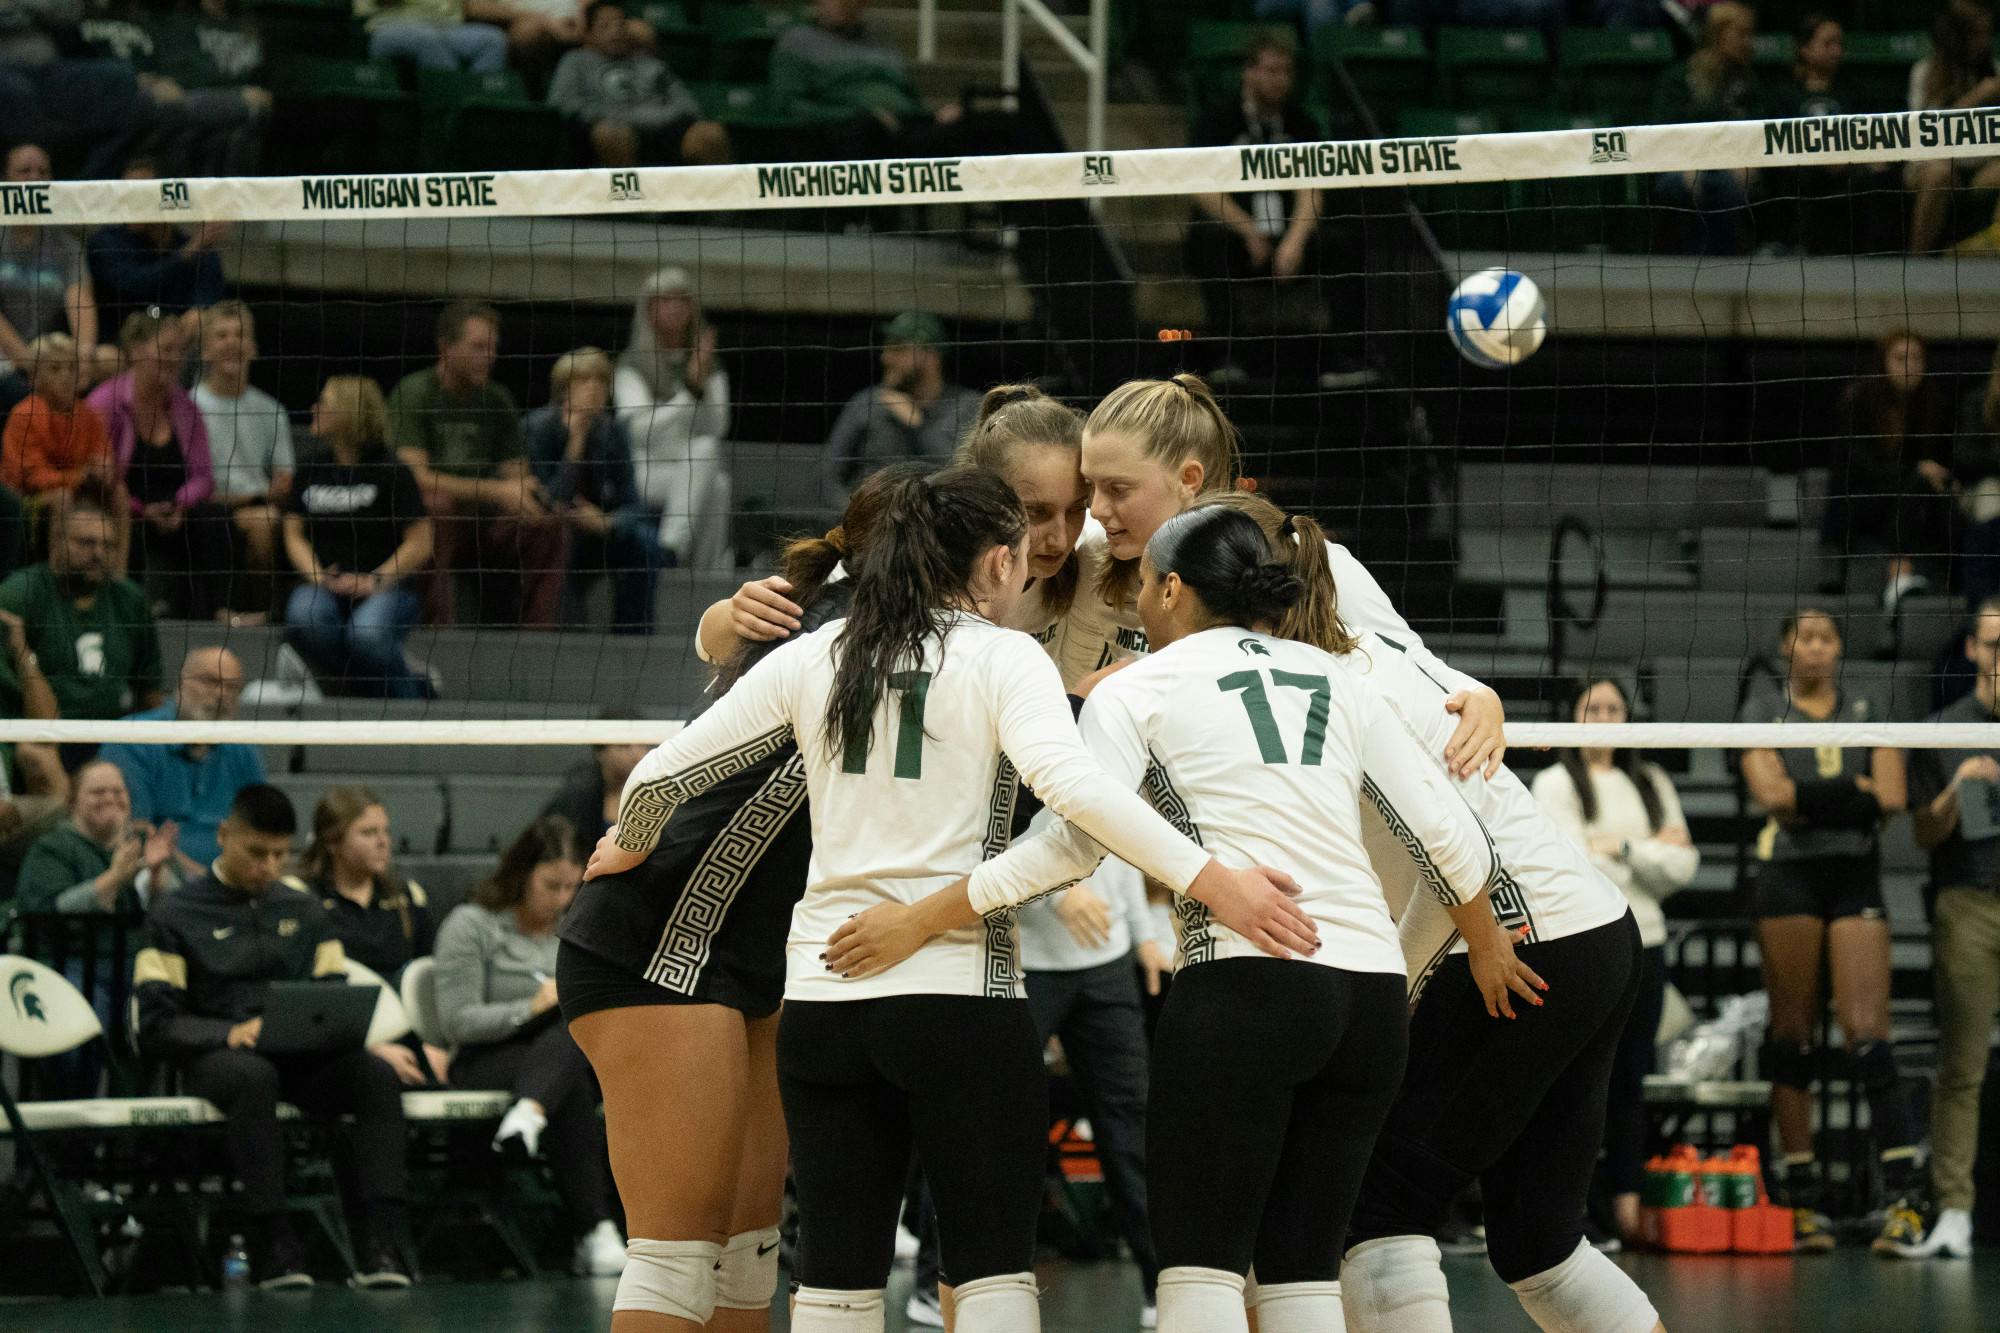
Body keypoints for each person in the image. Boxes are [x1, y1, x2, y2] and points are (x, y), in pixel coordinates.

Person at [584, 465, 1312, 1333]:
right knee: (994, 1275)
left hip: (826, 1001)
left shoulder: (822, 650)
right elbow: (1077, 797)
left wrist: (627, 839)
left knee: (834, 1283)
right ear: (1001, 563)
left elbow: (663, 772)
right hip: (961, 999)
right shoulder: (1007, 657)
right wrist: (1213, 879)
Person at [822, 501, 1522, 1333]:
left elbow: (1072, 849)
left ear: (1173, 590)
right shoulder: (1336, 676)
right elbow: (1453, 840)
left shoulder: (1140, 688)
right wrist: (1484, 942)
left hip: (1245, 986)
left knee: (1200, 1272)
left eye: (1145, 585)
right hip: (1367, 1001)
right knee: (1303, 1272)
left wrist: (927, 914)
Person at [558, 468, 918, 1333]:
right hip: (661, 934)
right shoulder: (840, 637)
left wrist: (716, 623)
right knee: (680, 1257)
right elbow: (661, 766)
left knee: (746, 1252)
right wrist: (635, 831)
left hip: (758, 947)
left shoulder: (873, 618)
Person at [133, 784, 412, 1289]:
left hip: (300, 1055)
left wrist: (330, 1028)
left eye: (280, 855)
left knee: (374, 1074)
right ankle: (274, 1242)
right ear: (223, 836)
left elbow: (331, 993)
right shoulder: (175, 914)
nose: (268, 865)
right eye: (256, 853)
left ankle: (381, 1240)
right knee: (253, 1076)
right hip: (216, 1057)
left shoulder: (305, 911)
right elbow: (155, 1023)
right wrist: (227, 1032)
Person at [1739, 608, 1922, 1252]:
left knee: (1868, 1035)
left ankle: (1903, 1199)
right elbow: (1772, 796)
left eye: (1827, 636)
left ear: (1840, 647)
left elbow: (1895, 797)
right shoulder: (1763, 713)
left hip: (1854, 874)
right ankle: (1802, 1202)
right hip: (1788, 877)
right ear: (1786, 644)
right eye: (1804, 636)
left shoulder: (1869, 710)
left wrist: (1810, 794)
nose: (1816, 647)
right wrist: (1854, 787)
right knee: (1792, 1037)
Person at [1531, 677, 1700, 1245]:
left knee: (1630, 1079)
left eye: (1613, 707)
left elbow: (1684, 868)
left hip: (1647, 944)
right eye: (1591, 707)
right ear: (1573, 716)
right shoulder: (1555, 783)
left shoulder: (1650, 781)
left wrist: (1621, 847)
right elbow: (1571, 862)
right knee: (1576, 1077)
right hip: (1584, 943)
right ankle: (1568, 1210)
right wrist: (1652, 851)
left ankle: (1627, 1210)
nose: (1603, 716)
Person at [435, 815, 625, 1278]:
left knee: (570, 1053)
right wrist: (529, 1007)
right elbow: (457, 1021)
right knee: (566, 1045)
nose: (561, 899)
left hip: (557, 1063)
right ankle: (596, 1230)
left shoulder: (575, 930)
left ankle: (529, 1116)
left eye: (569, 887)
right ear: (522, 875)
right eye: (550, 886)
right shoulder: (472, 924)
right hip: (485, 1057)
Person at [1894, 596, 2000, 1259]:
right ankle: (1954, 1209)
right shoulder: (1942, 729)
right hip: (1969, 901)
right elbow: (1924, 833)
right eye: (1994, 643)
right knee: (1962, 1063)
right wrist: (1958, 785)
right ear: (1972, 649)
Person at [1185, 31, 1373, 389]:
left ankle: (1347, 357)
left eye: (1285, 72)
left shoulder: (1302, 124)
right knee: (1207, 240)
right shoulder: (1218, 119)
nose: (1279, 80)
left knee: (1346, 243)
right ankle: (1228, 356)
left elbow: (1312, 189)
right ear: (1249, 72)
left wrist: (1295, 241)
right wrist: (1248, 230)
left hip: (1287, 241)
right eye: (1270, 70)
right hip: (1239, 238)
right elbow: (1202, 190)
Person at [389, 300, 563, 628]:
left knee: (546, 523)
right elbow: (414, 477)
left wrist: (527, 497)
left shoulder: (497, 400)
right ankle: (438, 633)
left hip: (484, 524)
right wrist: (497, 491)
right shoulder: (415, 393)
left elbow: (517, 479)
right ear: (445, 347)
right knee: (438, 507)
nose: (488, 356)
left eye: (492, 348)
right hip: (436, 518)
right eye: (478, 347)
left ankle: (537, 637)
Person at [283, 375, 435, 699]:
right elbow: (293, 532)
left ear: (348, 413)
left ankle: (414, 707)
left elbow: (421, 541)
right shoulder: (311, 467)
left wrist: (375, 580)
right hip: (326, 583)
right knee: (303, 616)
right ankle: (402, 682)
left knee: (366, 634)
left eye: (324, 403)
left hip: (387, 587)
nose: (314, 408)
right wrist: (317, 576)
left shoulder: (391, 470)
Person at [292, 784, 447, 1089]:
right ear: (333, 842)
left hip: (410, 1032)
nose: (383, 842)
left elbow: (428, 977)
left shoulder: (407, 897)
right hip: (344, 1039)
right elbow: (307, 994)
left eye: (385, 832)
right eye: (368, 833)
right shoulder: (301, 899)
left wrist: (437, 1046)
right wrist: (370, 1048)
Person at [88, 308, 233, 620]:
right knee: (126, 520)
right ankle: (127, 612)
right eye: (166, 350)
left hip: (175, 512)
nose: (175, 359)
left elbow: (204, 476)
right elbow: (100, 476)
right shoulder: (104, 403)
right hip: (127, 509)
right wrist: (142, 509)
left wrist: (180, 503)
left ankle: (219, 612)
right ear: (137, 352)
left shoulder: (186, 407)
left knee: (213, 515)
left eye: (180, 351)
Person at [523, 347, 661, 634]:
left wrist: (607, 522)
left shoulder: (613, 433)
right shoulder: (537, 428)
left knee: (644, 543)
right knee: (558, 539)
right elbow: (547, 498)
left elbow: (633, 503)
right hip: (555, 530)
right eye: (584, 381)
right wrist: (574, 442)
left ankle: (633, 638)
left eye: (601, 382)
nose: (594, 389)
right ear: (563, 390)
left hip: (599, 530)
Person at [0, 485, 164, 722]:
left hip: (112, 738)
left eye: (108, 545)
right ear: (58, 542)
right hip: (41, 734)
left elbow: (150, 693)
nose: (98, 553)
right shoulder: (21, 593)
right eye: (86, 543)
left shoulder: (131, 601)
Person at [1821, 329, 1958, 607]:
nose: (1910, 366)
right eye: (1900, 358)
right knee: (1913, 483)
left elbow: (1944, 461)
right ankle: (1899, 575)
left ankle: (1958, 586)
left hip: (1913, 502)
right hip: (1859, 501)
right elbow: (1862, 469)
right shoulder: (1857, 401)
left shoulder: (1933, 403)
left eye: (1917, 358)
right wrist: (1916, 470)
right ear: (1883, 361)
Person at [99, 646, 261, 872]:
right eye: (210, 681)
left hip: (233, 878)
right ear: (181, 682)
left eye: (232, 687)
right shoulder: (132, 738)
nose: (221, 694)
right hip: (156, 872)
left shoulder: (243, 749)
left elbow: (259, 828)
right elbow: (137, 833)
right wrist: (206, 881)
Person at [613, 268, 731, 571]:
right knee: (707, 468)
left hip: (690, 467)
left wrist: (702, 384)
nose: (675, 307)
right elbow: (638, 432)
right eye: (665, 300)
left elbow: (719, 426)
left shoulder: (707, 363)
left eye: (682, 299)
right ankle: (671, 553)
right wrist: (689, 392)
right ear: (648, 309)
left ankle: (693, 568)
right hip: (644, 470)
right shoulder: (632, 364)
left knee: (715, 477)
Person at [192, 301, 293, 620]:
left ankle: (261, 614)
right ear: (206, 350)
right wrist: (246, 498)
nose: (232, 342)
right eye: (221, 335)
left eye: (239, 334)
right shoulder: (191, 405)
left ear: (253, 347)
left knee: (266, 525)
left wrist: (262, 498)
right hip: (207, 508)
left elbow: (284, 478)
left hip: (258, 507)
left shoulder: (272, 410)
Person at [819, 312, 978, 512]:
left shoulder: (965, 406)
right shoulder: (868, 402)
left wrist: (917, 425)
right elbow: (828, 473)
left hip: (935, 527)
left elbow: (962, 474)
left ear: (931, 356)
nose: (886, 358)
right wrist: (851, 517)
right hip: (871, 523)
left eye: (898, 348)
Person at [547, 1, 729, 168]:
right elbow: (564, 103)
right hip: (610, 134)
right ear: (589, 33)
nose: (615, 32)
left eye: (621, 25)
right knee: (611, 134)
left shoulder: (648, 63)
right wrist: (610, 117)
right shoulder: (575, 62)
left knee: (709, 134)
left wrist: (660, 118)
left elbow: (687, 104)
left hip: (663, 131)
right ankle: (627, 202)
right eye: (605, 26)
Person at [0, 143, 99, 421]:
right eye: (24, 171)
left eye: (43, 171)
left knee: (108, 358)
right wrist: (30, 364)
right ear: (5, 180)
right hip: (9, 358)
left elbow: (81, 305)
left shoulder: (68, 247)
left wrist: (82, 359)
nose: (34, 178)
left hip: (52, 354)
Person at [1651, 3, 1760, 256]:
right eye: (1741, 34)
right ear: (1717, 35)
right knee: (1679, 185)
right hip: (1683, 163)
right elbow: (1665, 130)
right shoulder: (1680, 78)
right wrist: (1686, 162)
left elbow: (1759, 127)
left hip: (1735, 163)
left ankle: (1723, 263)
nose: (1748, 42)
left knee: (1727, 185)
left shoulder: (1748, 81)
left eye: (1750, 35)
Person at [128, 0, 272, 178]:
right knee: (244, 109)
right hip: (191, 96)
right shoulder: (182, 22)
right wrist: (240, 95)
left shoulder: (246, 25)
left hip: (224, 98)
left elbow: (261, 74)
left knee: (240, 129)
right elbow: (186, 75)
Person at [14, 757, 175, 915]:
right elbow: (49, 914)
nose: (110, 798)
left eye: (118, 791)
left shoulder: (144, 844)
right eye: (98, 792)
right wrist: (114, 877)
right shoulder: (51, 849)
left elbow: (180, 911)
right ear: (73, 801)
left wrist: (156, 873)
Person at [85, 158, 228, 329]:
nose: (132, 202)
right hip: (120, 344)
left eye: (142, 193)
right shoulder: (105, 242)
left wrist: (194, 317)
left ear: (166, 197)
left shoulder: (200, 251)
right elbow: (132, 284)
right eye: (126, 193)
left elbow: (208, 302)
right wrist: (187, 253)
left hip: (179, 343)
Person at [1907, 0, 2000, 253]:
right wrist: (1978, 97)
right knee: (1940, 173)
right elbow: (1925, 132)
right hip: (1934, 163)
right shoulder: (1925, 73)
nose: (1985, 42)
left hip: (1981, 165)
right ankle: (1918, 261)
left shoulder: (1993, 71)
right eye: (1977, 35)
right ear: (1957, 38)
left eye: (1987, 34)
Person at [540, 708, 648, 847]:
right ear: (600, 752)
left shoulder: (657, 792)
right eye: (624, 746)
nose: (637, 754)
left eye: (643, 744)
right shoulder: (577, 795)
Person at [356, 0, 509, 73]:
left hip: (446, 28)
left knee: (492, 41)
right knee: (428, 39)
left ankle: (476, 121)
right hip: (388, 26)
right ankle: (448, 119)